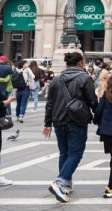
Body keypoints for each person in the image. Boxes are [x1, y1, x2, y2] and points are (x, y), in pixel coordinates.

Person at [42, 51, 98, 203]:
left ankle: (66, 184)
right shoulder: (84, 78)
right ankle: (60, 182)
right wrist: (98, 114)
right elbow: (92, 100)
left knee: (64, 153)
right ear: (80, 62)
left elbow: (50, 103)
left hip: (58, 120)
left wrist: (47, 123)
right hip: (76, 121)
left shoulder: (57, 79)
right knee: (75, 154)